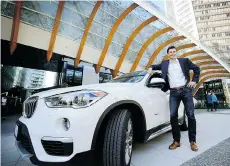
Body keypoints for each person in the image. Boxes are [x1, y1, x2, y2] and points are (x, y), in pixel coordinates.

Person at [148, 46, 200, 151]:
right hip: (173, 92)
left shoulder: (184, 61)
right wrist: (150, 68)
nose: (172, 53)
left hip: (186, 90)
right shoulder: (165, 63)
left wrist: (194, 80)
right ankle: (176, 141)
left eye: (174, 51)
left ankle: (193, 141)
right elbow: (154, 66)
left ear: (176, 52)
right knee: (172, 116)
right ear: (168, 54)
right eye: (170, 52)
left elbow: (196, 69)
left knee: (190, 115)